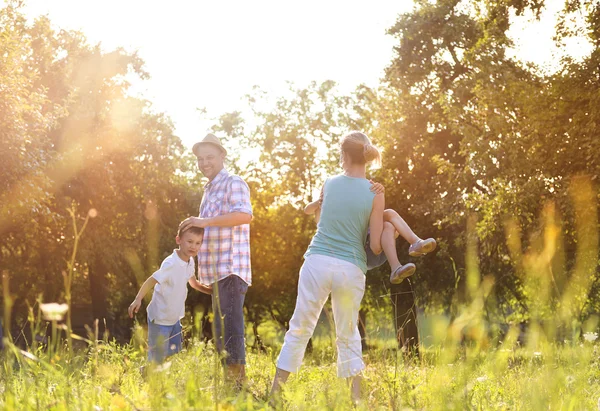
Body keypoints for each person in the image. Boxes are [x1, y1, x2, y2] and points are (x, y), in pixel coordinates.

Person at [270, 131, 385, 405]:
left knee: (299, 327)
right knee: (347, 332)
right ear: (366, 157)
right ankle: (356, 400)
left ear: (345, 156)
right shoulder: (375, 192)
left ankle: (275, 394)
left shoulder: (329, 183)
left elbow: (320, 219)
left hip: (317, 261)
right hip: (351, 267)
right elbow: (378, 247)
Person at [179, 133, 253, 387]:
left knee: (231, 328)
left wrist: (205, 221)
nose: (204, 163)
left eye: (209, 157)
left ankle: (237, 385)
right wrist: (195, 275)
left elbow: (244, 215)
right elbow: (203, 234)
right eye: (200, 159)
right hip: (215, 272)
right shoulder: (208, 190)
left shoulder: (233, 182)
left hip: (231, 268)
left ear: (222, 156)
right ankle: (229, 384)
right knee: (222, 331)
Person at [305, 192, 436, 283]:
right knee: (387, 223)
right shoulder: (330, 218)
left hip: (379, 252)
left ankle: (404, 258)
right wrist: (320, 201)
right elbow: (307, 210)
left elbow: (392, 232)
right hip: (363, 252)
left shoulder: (356, 212)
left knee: (389, 224)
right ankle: (408, 251)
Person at [128, 225, 212, 363]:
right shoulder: (171, 263)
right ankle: (151, 375)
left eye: (198, 243)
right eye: (189, 241)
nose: (194, 246)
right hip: (160, 318)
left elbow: (193, 283)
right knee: (157, 356)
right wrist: (138, 299)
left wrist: (211, 291)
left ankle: (149, 371)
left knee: (173, 351)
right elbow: (152, 280)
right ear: (178, 240)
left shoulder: (190, 261)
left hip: (174, 318)